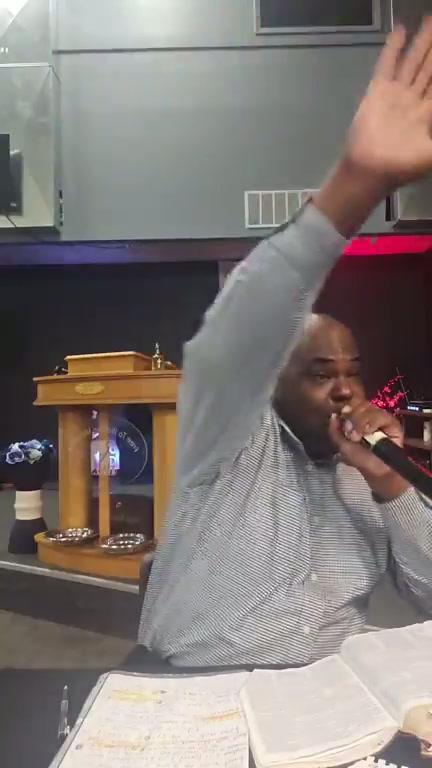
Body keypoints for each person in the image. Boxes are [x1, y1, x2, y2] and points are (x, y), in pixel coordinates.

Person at [139, 19, 432, 666]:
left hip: (326, 695)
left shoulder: (363, 473)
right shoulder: (228, 441)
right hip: (198, 686)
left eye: (352, 372)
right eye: (321, 373)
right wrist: (358, 182)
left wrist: (390, 485)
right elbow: (248, 316)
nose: (346, 390)